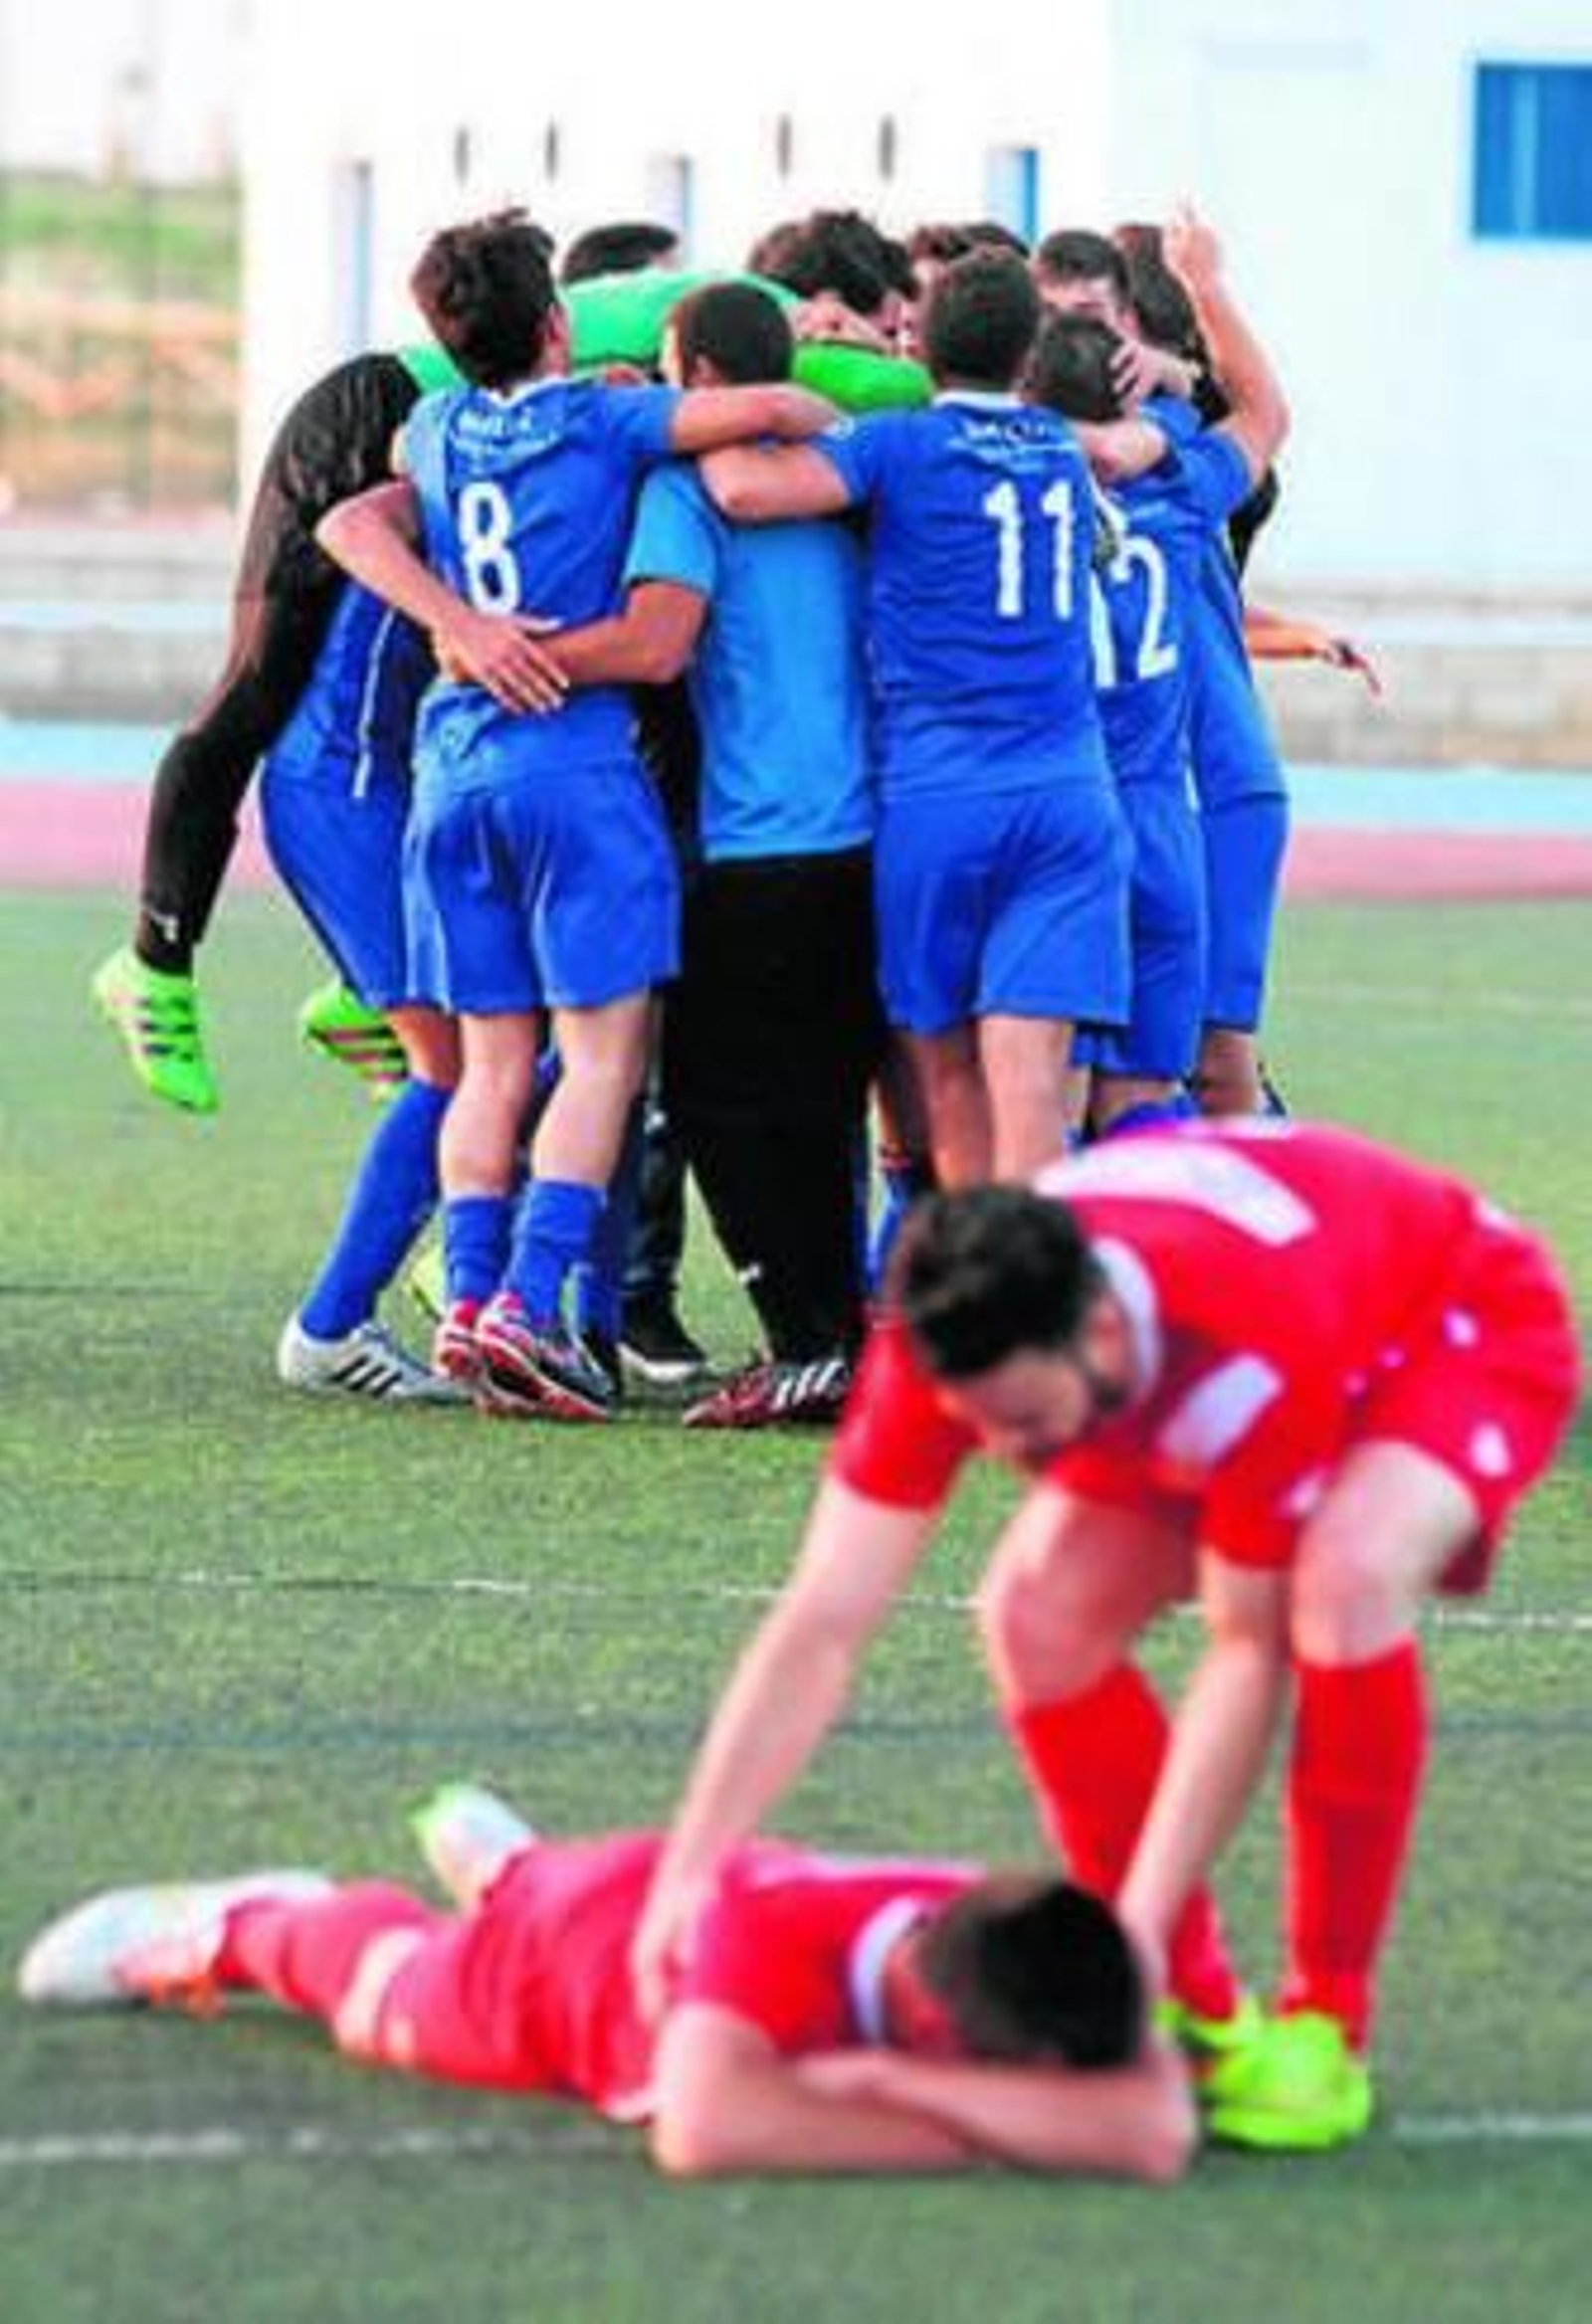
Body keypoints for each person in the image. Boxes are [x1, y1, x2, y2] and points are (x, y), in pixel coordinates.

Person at [629, 1117, 1579, 2151]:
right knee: (1032, 1615)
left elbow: (1244, 1654)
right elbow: (819, 1621)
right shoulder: (946, 1341)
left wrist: (1127, 1923)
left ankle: (1324, 2023)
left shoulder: (1247, 1334)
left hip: (1454, 1319)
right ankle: (1192, 2002)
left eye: (1028, 1427)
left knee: (1340, 1582)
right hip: (1240, 1336)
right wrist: (691, 1867)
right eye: (981, 1428)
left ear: (1102, 1334)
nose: (1006, 1456)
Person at [315, 211, 837, 1423]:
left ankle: (467, 1301)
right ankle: (529, 1305)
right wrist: (789, 384)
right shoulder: (607, 421)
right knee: (605, 1052)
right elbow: (774, 412)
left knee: (491, 1065)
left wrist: (460, 621)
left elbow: (348, 522)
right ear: (555, 323)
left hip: (452, 777)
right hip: (575, 770)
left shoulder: (435, 426)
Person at [16, 1780, 1194, 2182]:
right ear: (937, 2017)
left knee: (545, 1880)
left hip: (641, 1890)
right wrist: (981, 2122)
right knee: (378, 1993)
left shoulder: (1038, 1933)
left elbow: (1149, 2128)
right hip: (550, 1984)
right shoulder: (768, 1938)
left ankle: (507, 1861)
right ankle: (240, 1916)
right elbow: (705, 2126)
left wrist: (881, 2083)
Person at [525, 280, 884, 1428]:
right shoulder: (845, 479)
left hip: (753, 837)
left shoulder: (692, 486)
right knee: (824, 1099)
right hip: (864, 833)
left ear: (702, 382)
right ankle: (839, 1342)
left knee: (717, 1098)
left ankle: (800, 1339)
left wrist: (500, 651)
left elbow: (658, 641)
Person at [699, 249, 1130, 1190]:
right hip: (1069, 793)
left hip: (942, 799)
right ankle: (1039, 1320)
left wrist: (715, 402)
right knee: (1032, 1087)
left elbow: (742, 489)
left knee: (946, 1078)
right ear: (1029, 358)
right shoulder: (1059, 446)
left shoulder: (899, 444)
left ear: (919, 346)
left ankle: (974, 1317)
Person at [89, 334, 470, 1115]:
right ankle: (154, 963)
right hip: (368, 416)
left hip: (425, 418)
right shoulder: (765, 324)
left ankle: (364, 983)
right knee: (255, 689)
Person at [1026, 206, 1291, 1137]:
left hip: (1069, 804)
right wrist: (1207, 292)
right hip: (1151, 810)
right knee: (1142, 1092)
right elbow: (1264, 416)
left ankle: (1027, 1274)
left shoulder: (994, 481)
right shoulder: (1181, 484)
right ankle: (1184, 1264)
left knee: (1041, 1092)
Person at [259, 573, 466, 1402]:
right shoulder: (439, 469)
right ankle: (330, 1326)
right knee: (457, 1065)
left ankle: (470, 1269)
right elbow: (358, 521)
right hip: (343, 791)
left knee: (529, 1046)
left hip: (372, 788)